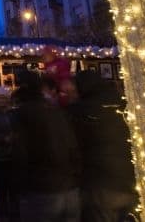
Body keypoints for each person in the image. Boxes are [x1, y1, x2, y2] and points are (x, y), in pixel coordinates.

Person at [10, 70, 81, 222]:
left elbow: (20, 154)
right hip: (69, 186)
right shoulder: (57, 112)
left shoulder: (21, 115)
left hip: (41, 189)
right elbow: (72, 146)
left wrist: (20, 184)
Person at [68, 70, 138, 222]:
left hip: (99, 181)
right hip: (129, 178)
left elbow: (72, 147)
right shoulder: (124, 105)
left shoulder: (79, 111)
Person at [0, 88, 18, 221]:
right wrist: (2, 139)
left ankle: (14, 213)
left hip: (14, 156)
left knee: (14, 187)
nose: (0, 100)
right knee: (1, 188)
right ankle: (3, 214)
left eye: (3, 97)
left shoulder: (14, 113)